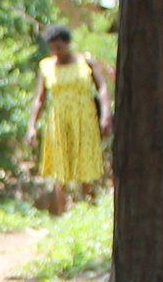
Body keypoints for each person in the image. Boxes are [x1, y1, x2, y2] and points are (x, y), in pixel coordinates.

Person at [24, 24, 108, 213]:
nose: (57, 52)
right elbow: (40, 98)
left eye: (60, 47)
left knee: (86, 165)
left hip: (84, 117)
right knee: (60, 168)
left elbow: (102, 88)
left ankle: (90, 212)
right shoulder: (46, 66)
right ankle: (62, 215)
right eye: (52, 48)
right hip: (58, 119)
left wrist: (106, 116)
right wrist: (32, 127)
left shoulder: (85, 62)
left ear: (68, 44)